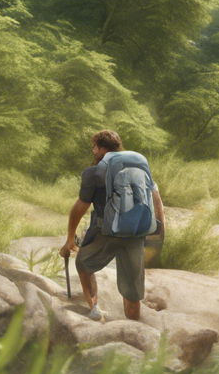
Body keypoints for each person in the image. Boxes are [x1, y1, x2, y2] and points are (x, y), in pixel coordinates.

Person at [60, 130, 165, 322]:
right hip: (136, 233)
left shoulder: (94, 172)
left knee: (83, 263)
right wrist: (160, 228)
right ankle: (134, 327)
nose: (93, 151)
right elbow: (155, 197)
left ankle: (95, 310)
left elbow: (79, 208)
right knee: (132, 291)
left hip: (106, 233)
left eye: (94, 147)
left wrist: (69, 239)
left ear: (101, 148)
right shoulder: (138, 167)